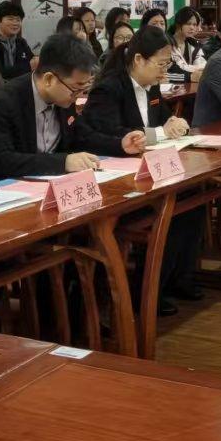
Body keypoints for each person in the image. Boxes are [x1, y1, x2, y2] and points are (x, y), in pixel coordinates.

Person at [78, 26, 203, 313]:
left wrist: (173, 123)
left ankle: (178, 279)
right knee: (170, 206)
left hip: (149, 167)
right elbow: (112, 134)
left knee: (193, 198)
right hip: (117, 177)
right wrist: (160, 133)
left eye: (168, 64)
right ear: (138, 60)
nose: (165, 71)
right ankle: (147, 290)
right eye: (161, 64)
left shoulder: (152, 85)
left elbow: (161, 120)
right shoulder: (109, 89)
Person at [0, 32, 102, 181]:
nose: (79, 95)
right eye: (76, 89)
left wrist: (119, 144)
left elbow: (83, 136)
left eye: (84, 89)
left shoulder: (64, 98)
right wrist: (62, 163)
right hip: (7, 187)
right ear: (49, 79)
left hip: (51, 183)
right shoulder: (2, 102)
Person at [0, 0, 34, 80]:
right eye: (10, 19)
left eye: (18, 20)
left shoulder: (21, 42)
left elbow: (33, 63)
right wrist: (27, 67)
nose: (15, 23)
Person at [168, 8, 205, 74]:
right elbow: (178, 68)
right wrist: (194, 70)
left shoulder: (193, 44)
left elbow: (203, 65)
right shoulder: (166, 43)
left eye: (194, 24)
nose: (192, 28)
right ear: (178, 24)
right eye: (188, 24)